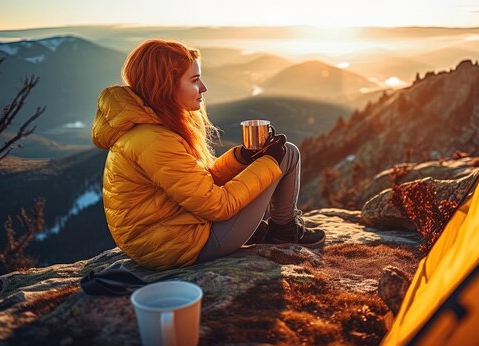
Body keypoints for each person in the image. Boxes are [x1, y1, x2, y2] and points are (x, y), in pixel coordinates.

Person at [91, 39, 325, 270]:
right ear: (165, 86)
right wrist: (270, 161)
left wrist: (243, 158)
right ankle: (284, 230)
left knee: (279, 155)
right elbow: (218, 206)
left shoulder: (150, 127)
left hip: (173, 233)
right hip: (181, 245)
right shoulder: (154, 140)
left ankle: (279, 228)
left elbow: (198, 184)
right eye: (194, 80)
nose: (203, 88)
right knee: (286, 154)